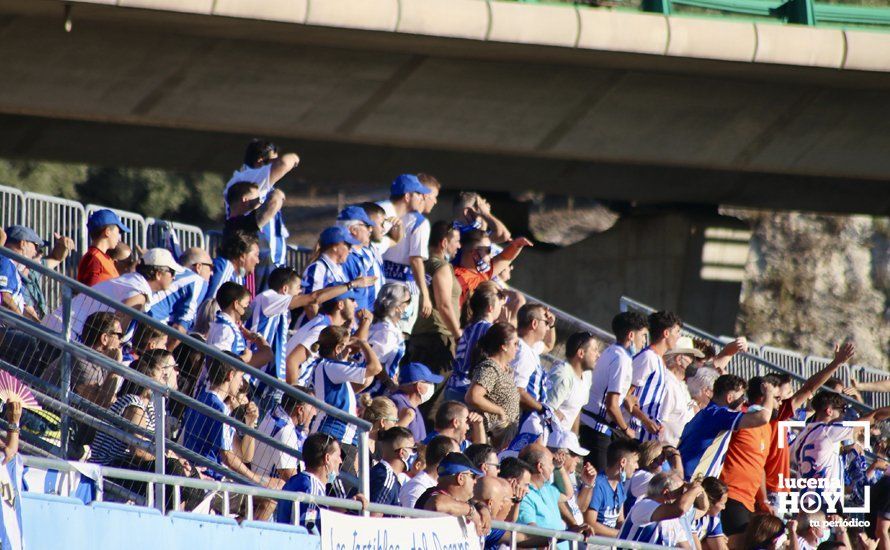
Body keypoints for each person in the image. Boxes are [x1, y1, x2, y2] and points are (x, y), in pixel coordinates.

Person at [89, 349, 192, 508]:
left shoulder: (151, 406)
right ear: (156, 376)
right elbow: (138, 450)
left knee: (190, 474)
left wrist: (174, 458)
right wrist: (169, 459)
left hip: (126, 466)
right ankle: (173, 520)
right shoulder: (134, 404)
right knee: (173, 469)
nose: (175, 374)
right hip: (110, 467)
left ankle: (180, 520)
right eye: (173, 368)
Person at [765, 342, 856, 509]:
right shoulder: (769, 419)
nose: (787, 400)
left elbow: (808, 389)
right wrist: (836, 363)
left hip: (781, 490)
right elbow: (808, 389)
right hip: (769, 490)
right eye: (784, 396)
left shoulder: (781, 419)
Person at [181, 353, 284, 498]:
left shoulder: (201, 398)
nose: (241, 383)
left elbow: (243, 457)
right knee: (269, 495)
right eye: (240, 377)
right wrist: (257, 480)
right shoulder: (219, 408)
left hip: (196, 474)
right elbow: (228, 458)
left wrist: (249, 423)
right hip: (208, 483)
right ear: (230, 375)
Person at [580, 311, 648, 471]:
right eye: (643, 335)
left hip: (591, 425)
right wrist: (626, 430)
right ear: (631, 335)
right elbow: (611, 405)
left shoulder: (611, 351)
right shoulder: (621, 359)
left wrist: (627, 397)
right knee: (597, 482)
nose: (644, 341)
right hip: (598, 429)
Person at [312, 325, 383, 481]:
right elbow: (375, 368)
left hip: (336, 436)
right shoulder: (330, 367)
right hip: (336, 437)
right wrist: (363, 343)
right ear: (337, 348)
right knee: (341, 493)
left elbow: (363, 382)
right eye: (344, 345)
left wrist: (345, 355)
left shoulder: (325, 366)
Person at [719, 374, 783, 544]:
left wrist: (763, 500)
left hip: (750, 500)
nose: (780, 403)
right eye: (776, 398)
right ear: (764, 397)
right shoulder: (743, 417)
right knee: (736, 544)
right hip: (730, 493)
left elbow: (759, 466)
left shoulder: (768, 427)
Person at [791, 391, 890, 497]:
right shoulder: (828, 431)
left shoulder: (803, 434)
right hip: (824, 499)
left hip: (805, 497)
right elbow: (874, 417)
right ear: (829, 411)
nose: (843, 414)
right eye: (841, 409)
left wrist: (842, 450)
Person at [224, 140, 299, 279]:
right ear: (260, 161)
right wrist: (296, 158)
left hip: (268, 263)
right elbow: (286, 163)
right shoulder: (249, 177)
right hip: (258, 263)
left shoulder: (257, 182)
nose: (276, 164)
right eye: (273, 160)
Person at [678, 374, 776, 480]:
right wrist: (769, 393)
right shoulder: (719, 415)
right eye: (741, 397)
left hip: (686, 477)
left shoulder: (707, 413)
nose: (744, 401)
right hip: (692, 480)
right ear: (729, 398)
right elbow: (763, 418)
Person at [275, 432, 368, 530]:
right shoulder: (312, 488)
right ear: (327, 458)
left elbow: (317, 515)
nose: (341, 461)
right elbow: (310, 527)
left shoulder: (297, 480)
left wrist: (348, 505)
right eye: (338, 455)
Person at [379, 174, 433, 334]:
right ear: (408, 196)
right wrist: (426, 295)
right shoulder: (420, 222)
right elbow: (416, 260)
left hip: (382, 283)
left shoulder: (385, 216)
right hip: (404, 288)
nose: (422, 198)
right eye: (419, 194)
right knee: (398, 338)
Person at [284, 288, 369, 387]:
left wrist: (365, 323)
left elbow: (350, 348)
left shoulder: (324, 324)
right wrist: (294, 394)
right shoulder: (321, 329)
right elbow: (292, 361)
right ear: (340, 304)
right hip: (282, 394)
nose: (356, 305)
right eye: (352, 300)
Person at [409, 220, 462, 376]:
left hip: (418, 335)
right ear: (444, 242)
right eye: (457, 241)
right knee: (433, 396)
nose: (459, 246)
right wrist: (458, 336)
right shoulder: (441, 266)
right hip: (439, 338)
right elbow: (444, 305)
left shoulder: (422, 265)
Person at [517, 444, 593, 549]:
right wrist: (569, 533)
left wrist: (559, 467)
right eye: (551, 463)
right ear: (540, 467)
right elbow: (530, 535)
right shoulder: (524, 495)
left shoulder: (546, 488)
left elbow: (567, 494)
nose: (553, 466)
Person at [42, 311, 123, 408]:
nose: (121, 341)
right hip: (46, 416)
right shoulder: (81, 359)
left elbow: (110, 401)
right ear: (104, 338)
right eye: (119, 336)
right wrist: (116, 367)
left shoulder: (101, 364)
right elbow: (99, 405)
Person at [627, 310, 683, 443]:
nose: (679, 337)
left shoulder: (659, 361)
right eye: (677, 332)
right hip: (634, 434)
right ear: (666, 333)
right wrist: (645, 420)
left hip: (647, 436)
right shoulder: (648, 358)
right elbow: (626, 395)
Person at [465, 322, 522, 449]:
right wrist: (499, 411)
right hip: (484, 436)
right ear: (504, 346)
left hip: (498, 439)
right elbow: (473, 396)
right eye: (515, 344)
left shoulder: (505, 370)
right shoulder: (491, 368)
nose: (517, 349)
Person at [445, 282, 504, 402]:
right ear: (490, 308)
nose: (501, 308)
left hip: (455, 385)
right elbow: (475, 358)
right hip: (464, 387)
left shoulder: (473, 326)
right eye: (499, 305)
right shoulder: (485, 328)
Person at [453, 228, 532, 309]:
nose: (491, 255)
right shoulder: (457, 277)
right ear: (474, 253)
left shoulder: (482, 273)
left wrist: (517, 245)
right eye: (488, 250)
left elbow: (504, 258)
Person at [619, 471, 701, 547]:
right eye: (681, 492)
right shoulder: (645, 506)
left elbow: (686, 547)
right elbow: (680, 509)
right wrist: (695, 489)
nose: (683, 496)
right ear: (666, 493)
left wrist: (697, 489)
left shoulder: (673, 521)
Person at [416, 452, 489, 537]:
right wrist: (471, 511)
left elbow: (475, 503)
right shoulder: (430, 495)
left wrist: (483, 509)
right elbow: (438, 504)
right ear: (460, 478)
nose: (475, 481)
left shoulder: (460, 502)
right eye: (473, 476)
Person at [512, 303, 557, 439]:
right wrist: (541, 409)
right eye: (546, 322)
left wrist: (552, 324)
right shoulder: (522, 352)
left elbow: (549, 345)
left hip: (528, 415)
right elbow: (517, 391)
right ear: (534, 324)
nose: (547, 327)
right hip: (521, 418)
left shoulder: (530, 347)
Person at [300, 226, 365, 321]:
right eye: (348, 245)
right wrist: (322, 328)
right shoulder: (318, 268)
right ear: (335, 247)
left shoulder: (339, 269)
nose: (350, 250)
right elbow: (310, 304)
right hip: (315, 330)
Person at [147, 247, 212, 336]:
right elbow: (180, 327)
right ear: (199, 267)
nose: (212, 273)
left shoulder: (170, 273)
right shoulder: (197, 281)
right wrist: (168, 350)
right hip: (149, 328)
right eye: (211, 267)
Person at [252, 390, 316, 481]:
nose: (315, 413)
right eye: (312, 407)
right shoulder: (286, 432)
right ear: (300, 410)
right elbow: (292, 480)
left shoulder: (274, 411)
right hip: (265, 489)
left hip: (258, 476)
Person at [206, 282, 272, 368]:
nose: (248, 307)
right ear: (236, 304)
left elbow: (267, 355)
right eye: (246, 303)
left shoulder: (228, 326)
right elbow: (219, 365)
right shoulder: (225, 329)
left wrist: (253, 336)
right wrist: (245, 358)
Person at [363, 282, 411, 397]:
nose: (409, 306)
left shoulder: (389, 324)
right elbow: (375, 364)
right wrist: (390, 384)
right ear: (398, 307)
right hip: (373, 392)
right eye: (408, 302)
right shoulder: (386, 332)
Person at [585, 439, 641, 537]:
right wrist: (621, 535)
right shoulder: (598, 485)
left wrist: (631, 534)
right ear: (623, 462)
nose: (637, 466)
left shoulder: (619, 485)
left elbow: (620, 521)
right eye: (635, 462)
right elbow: (590, 523)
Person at [545, 331, 598, 434]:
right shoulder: (562, 376)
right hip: (547, 440)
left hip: (563, 443)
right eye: (595, 350)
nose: (598, 355)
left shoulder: (586, 376)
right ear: (581, 353)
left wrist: (573, 440)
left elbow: (576, 410)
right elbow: (544, 409)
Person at [338, 205, 382, 313]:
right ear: (353, 230)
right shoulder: (346, 258)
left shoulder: (360, 255)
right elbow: (341, 295)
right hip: (351, 322)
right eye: (367, 226)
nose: (370, 230)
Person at [660, 337, 703, 447]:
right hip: (664, 451)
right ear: (679, 359)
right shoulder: (668, 384)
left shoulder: (680, 384)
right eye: (691, 358)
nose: (694, 363)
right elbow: (660, 420)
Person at [388, 362, 443, 444]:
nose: (432, 386)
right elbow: (390, 439)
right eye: (429, 382)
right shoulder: (397, 404)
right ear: (418, 386)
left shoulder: (412, 405)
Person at [399, 435, 458, 508]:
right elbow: (412, 518)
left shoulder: (433, 484)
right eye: (457, 457)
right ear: (447, 457)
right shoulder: (417, 488)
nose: (460, 462)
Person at [0, 226, 44, 321]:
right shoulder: (5, 262)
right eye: (35, 246)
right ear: (23, 243)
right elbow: (4, 297)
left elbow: (22, 305)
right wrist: (22, 324)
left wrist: (40, 327)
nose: (35, 252)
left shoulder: (13, 267)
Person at [369, 426, 416, 514]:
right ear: (402, 452)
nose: (415, 454)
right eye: (413, 449)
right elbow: (374, 518)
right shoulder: (386, 478)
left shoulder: (381, 472)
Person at [78, 209, 130, 287]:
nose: (119, 238)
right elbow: (90, 293)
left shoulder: (103, 258)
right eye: (118, 232)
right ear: (107, 232)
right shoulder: (93, 258)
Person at [205, 231, 260, 301]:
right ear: (242, 256)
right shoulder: (225, 267)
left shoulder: (238, 276)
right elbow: (211, 305)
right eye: (256, 255)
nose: (258, 261)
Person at [693, 477, 729, 550]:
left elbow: (721, 547)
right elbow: (694, 546)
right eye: (722, 504)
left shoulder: (714, 518)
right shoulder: (691, 514)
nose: (724, 507)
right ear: (711, 502)